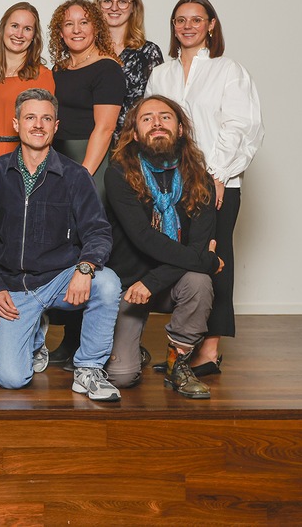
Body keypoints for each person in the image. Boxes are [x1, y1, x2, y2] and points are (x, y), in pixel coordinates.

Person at [145, 0, 263, 375]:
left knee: (215, 258)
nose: (188, 26)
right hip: (170, 184)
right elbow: (151, 126)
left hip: (217, 181)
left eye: (197, 19)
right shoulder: (160, 74)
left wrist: (215, 175)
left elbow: (240, 126)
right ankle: (183, 347)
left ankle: (209, 351)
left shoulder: (228, 70)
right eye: (181, 20)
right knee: (180, 259)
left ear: (211, 25)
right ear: (173, 26)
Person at [0, 88, 122, 402]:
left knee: (107, 283)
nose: (38, 125)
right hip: (14, 288)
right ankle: (35, 336)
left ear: (56, 126)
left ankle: (89, 369)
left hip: (60, 279)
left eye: (46, 118)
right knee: (11, 379)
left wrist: (85, 268)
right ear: (16, 124)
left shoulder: (75, 176)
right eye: (30, 118)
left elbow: (98, 232)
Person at [104, 96, 223, 398]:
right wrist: (208, 260)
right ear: (134, 133)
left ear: (180, 129)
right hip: (130, 285)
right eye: (147, 119)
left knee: (199, 281)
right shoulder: (118, 174)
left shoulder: (201, 180)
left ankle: (176, 362)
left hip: (165, 284)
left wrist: (155, 281)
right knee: (121, 376)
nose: (157, 123)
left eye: (165, 116)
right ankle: (134, 352)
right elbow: (144, 238)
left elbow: (198, 247)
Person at [45, 0, 125, 365]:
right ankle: (69, 336)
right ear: (59, 32)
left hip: (90, 161)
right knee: (62, 245)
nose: (76, 29)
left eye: (84, 22)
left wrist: (83, 175)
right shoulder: (59, 70)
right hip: (58, 160)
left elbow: (104, 128)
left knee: (88, 245)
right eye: (69, 24)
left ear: (96, 27)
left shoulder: (108, 68)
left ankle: (87, 341)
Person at [94, 0, 163, 139]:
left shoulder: (149, 52)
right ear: (98, 6)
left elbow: (158, 105)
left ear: (134, 7)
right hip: (93, 143)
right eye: (107, 1)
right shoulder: (87, 51)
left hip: (135, 143)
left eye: (123, 1)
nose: (114, 7)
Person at [0, 2, 54, 157]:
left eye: (27, 29)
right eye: (15, 26)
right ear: (3, 29)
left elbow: (44, 129)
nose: (19, 34)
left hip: (20, 157)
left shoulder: (42, 76)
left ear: (34, 36)